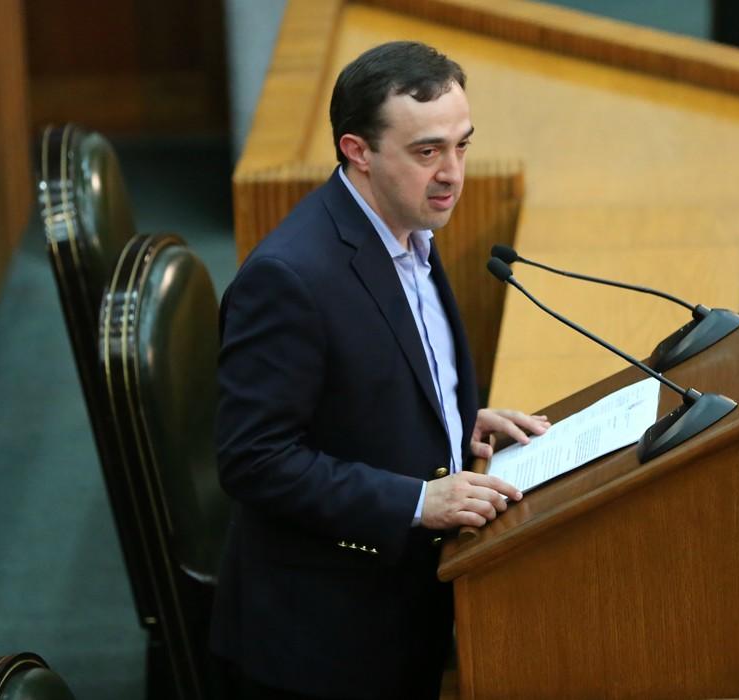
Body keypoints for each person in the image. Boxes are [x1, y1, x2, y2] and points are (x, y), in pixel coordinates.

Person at [209, 41, 549, 700]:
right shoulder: (288, 279)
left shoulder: (407, 226)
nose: (452, 174)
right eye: (427, 152)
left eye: (462, 146)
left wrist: (451, 420)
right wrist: (419, 500)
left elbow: (370, 374)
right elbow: (254, 459)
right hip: (323, 645)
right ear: (357, 151)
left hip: (402, 609)